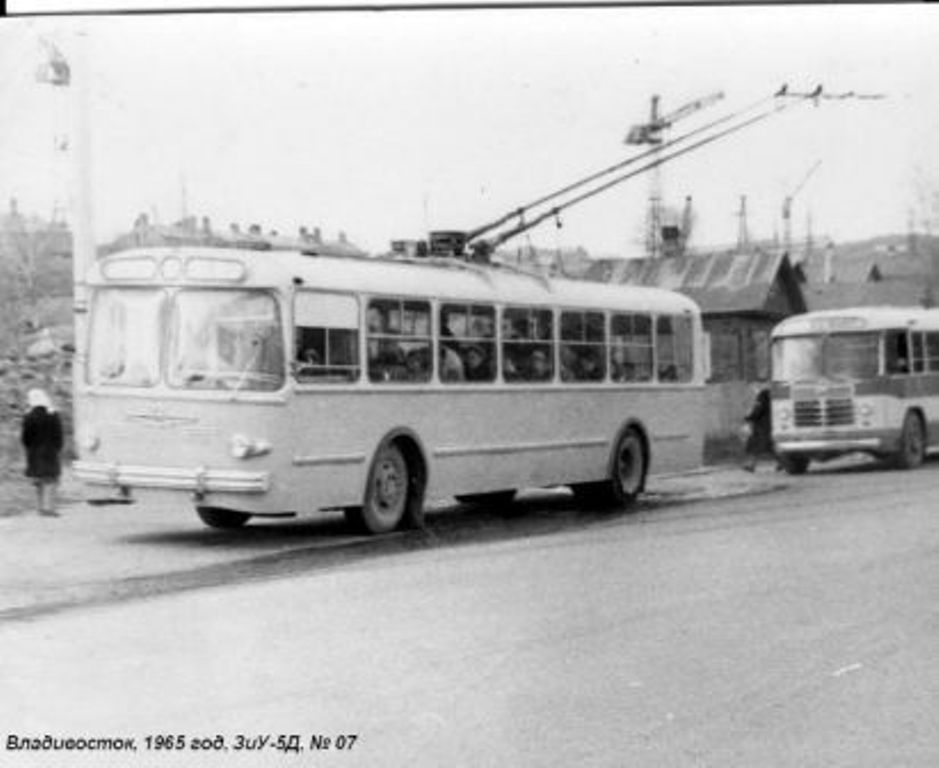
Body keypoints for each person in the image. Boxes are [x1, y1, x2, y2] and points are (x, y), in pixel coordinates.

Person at [21, 388, 64, 517]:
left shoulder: (28, 416)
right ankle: (49, 508)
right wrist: (58, 447)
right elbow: (58, 435)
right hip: (50, 451)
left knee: (39, 481)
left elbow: (25, 437)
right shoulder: (53, 414)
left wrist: (29, 447)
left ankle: (40, 507)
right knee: (51, 480)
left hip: (34, 452)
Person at [742, 384, 773, 472]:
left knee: (755, 446)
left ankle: (751, 465)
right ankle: (782, 463)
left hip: (761, 425)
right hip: (769, 424)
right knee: (770, 446)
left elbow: (758, 410)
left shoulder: (762, 395)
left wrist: (748, 418)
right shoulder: (769, 394)